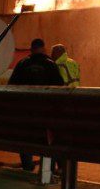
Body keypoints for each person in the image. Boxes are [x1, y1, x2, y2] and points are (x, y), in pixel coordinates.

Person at [9, 38, 64, 171]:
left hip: (25, 115)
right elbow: (61, 88)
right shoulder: (50, 65)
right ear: (44, 49)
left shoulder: (22, 64)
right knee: (50, 137)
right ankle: (48, 169)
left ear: (31, 49)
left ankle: (27, 166)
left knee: (25, 136)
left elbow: (11, 86)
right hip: (45, 116)